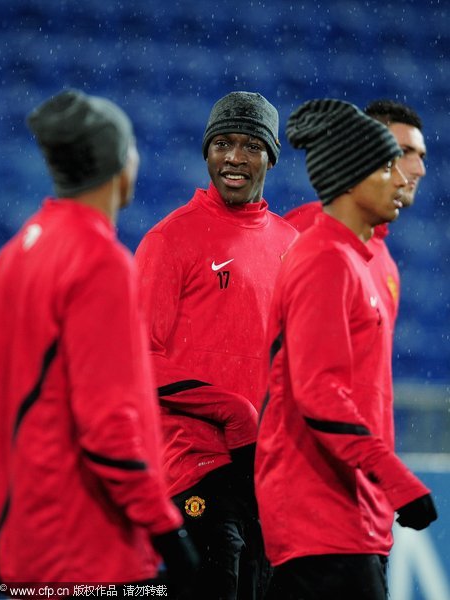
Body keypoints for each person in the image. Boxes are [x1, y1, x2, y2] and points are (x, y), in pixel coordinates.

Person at [0, 89, 198, 592]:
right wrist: (168, 531)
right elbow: (108, 429)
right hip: (88, 550)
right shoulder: (100, 262)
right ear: (118, 164)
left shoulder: (17, 250)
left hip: (24, 541)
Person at [255, 99, 437, 600]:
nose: (406, 176)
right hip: (319, 514)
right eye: (390, 161)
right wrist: (398, 480)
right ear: (352, 175)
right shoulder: (322, 257)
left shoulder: (367, 261)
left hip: (355, 512)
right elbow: (318, 393)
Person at [135, 91, 297, 599]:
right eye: (222, 143)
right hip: (193, 465)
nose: (234, 157)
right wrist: (230, 409)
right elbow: (137, 359)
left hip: (266, 474)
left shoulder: (293, 247)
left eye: (250, 146)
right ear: (206, 152)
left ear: (271, 156)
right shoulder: (170, 240)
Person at [283, 99, 427, 334]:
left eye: (421, 156)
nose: (419, 169)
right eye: (403, 152)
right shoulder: (306, 227)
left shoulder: (387, 265)